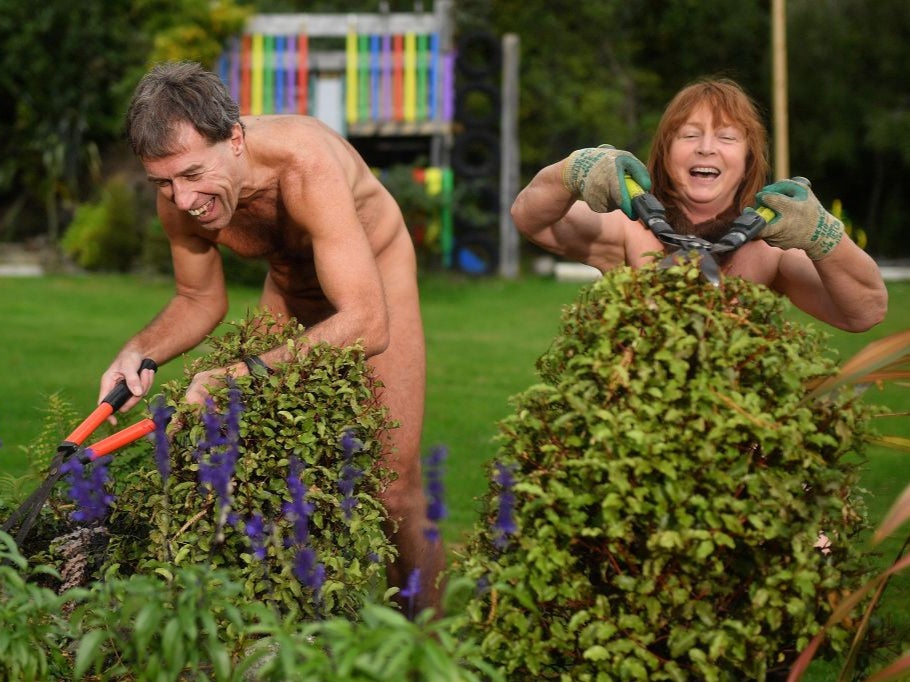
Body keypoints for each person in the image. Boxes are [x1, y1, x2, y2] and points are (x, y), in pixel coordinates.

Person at [98, 61, 444, 612]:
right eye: (162, 182)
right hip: (289, 289)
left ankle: (428, 646)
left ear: (234, 139)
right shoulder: (180, 197)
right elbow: (199, 300)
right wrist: (139, 352)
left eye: (191, 175)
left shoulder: (305, 164)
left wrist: (242, 373)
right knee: (253, 462)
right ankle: (286, 631)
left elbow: (366, 323)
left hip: (372, 284)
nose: (181, 200)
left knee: (392, 489)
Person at [511, 77, 887, 332]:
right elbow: (531, 219)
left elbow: (865, 311)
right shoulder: (628, 228)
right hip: (632, 434)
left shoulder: (771, 247)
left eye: (726, 137)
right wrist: (571, 169)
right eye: (689, 134)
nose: (706, 147)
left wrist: (823, 234)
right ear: (665, 152)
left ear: (748, 161)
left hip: (737, 436)